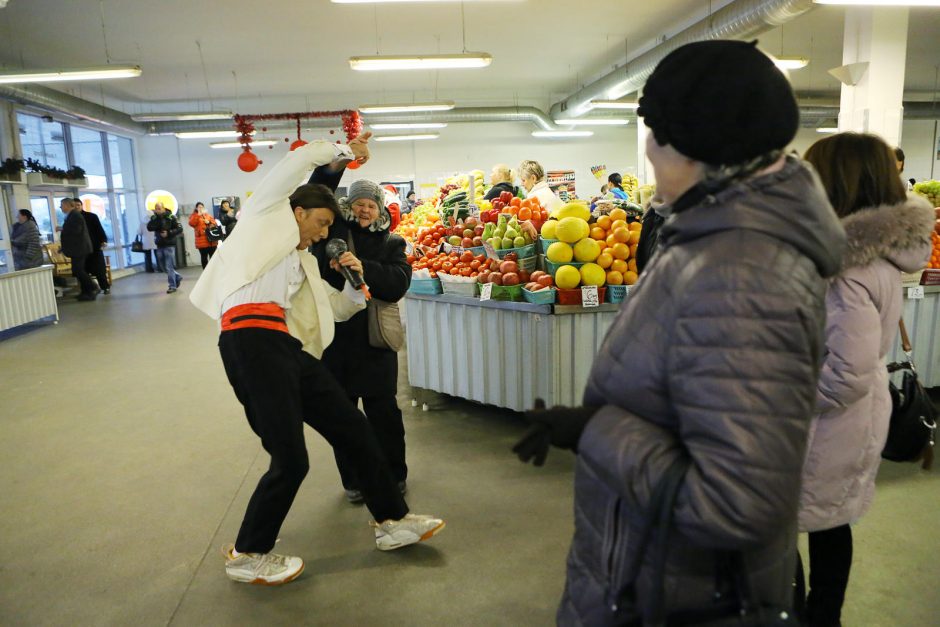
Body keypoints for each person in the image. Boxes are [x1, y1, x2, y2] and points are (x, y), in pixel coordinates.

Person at [512, 40, 846, 625]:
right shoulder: (711, 241)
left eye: (654, 132)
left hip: (679, 598)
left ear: (689, 145)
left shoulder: (741, 274)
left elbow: (737, 503)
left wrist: (599, 431)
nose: (647, 150)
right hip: (654, 575)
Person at [189, 134, 444, 586]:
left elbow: (336, 307)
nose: (324, 233)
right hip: (249, 344)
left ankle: (392, 521)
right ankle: (248, 553)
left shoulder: (300, 261)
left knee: (353, 427)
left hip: (287, 348)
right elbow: (299, 163)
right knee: (291, 459)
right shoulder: (264, 217)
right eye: (322, 222)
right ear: (298, 212)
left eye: (330, 226)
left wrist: (353, 284)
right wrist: (345, 150)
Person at [797, 133, 935, 627]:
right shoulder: (872, 258)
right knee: (827, 520)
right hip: (845, 422)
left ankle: (806, 616)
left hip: (821, 424)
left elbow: (842, 376)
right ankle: (820, 616)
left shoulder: (843, 270)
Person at [311, 179, 412, 504]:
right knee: (344, 414)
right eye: (359, 204)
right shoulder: (333, 236)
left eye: (371, 204)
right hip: (336, 341)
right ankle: (353, 480)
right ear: (348, 206)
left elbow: (397, 284)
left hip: (375, 341)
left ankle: (394, 475)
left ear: (380, 209)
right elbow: (319, 276)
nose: (365, 210)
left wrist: (363, 267)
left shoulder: (392, 242)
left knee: (384, 414)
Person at [59, 197, 98, 301]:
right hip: (77, 248)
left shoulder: (75, 215)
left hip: (80, 248)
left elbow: (76, 230)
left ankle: (93, 287)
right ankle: (86, 292)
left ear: (67, 205)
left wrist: (63, 229)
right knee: (78, 270)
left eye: (62, 205)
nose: (61, 208)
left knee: (78, 270)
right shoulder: (71, 216)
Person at [147, 202, 183, 293]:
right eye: (156, 208)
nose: (157, 210)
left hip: (169, 244)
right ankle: (177, 276)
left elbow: (179, 228)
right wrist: (154, 219)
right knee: (162, 267)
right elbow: (149, 227)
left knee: (169, 266)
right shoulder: (155, 218)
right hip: (159, 244)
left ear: (163, 208)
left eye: (159, 208)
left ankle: (172, 286)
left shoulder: (171, 216)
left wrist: (169, 233)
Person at [78, 198, 110, 295]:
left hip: (94, 247)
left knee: (99, 270)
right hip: (81, 250)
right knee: (84, 270)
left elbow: (99, 229)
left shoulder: (91, 216)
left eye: (78, 205)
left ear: (81, 206)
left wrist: (103, 240)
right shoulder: (71, 218)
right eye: (74, 206)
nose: (76, 207)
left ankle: (105, 287)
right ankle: (87, 290)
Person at [188, 201, 220, 269]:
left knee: (213, 257)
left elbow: (215, 224)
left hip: (211, 240)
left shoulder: (208, 215)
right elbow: (192, 223)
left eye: (202, 207)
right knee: (204, 257)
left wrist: (209, 222)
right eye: (199, 207)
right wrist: (198, 215)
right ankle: (205, 273)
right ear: (196, 208)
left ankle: (213, 271)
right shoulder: (194, 215)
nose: (200, 208)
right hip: (201, 240)